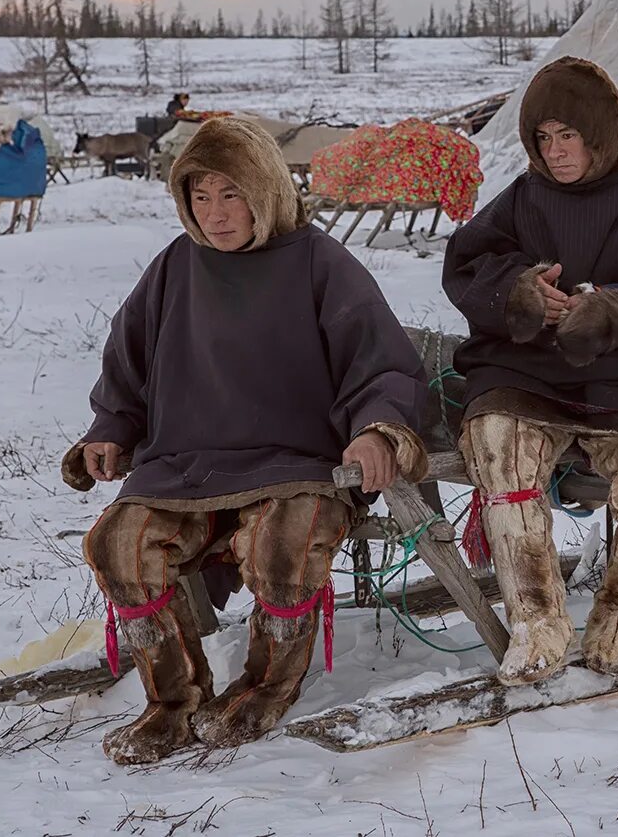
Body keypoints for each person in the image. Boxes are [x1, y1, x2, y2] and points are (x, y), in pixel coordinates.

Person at [78, 116, 427, 765]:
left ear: (264, 189)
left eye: (231, 193)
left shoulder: (320, 263)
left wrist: (378, 431)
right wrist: (112, 427)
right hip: (188, 466)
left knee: (284, 542)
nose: (215, 213)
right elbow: (125, 365)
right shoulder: (175, 268)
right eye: (200, 196)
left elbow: (381, 364)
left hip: (296, 466)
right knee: (117, 541)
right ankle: (174, 700)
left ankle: (267, 687)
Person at [442, 56, 618, 686]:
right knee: (499, 447)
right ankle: (536, 620)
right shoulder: (522, 199)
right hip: (526, 375)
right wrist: (521, 293)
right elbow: (467, 265)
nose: (555, 151)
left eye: (568, 135)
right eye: (542, 138)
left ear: (601, 134)